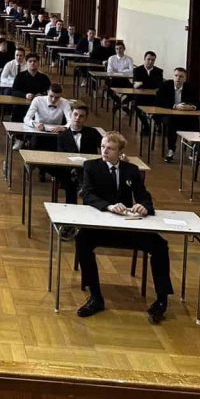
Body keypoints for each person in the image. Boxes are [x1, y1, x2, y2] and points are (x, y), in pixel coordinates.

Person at [76, 132, 173, 324]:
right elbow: (87, 194)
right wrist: (109, 206)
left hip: (127, 227)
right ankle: (95, 296)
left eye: (110, 148)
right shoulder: (91, 166)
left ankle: (162, 301)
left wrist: (144, 207)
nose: (104, 151)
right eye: (103, 147)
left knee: (160, 245)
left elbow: (143, 195)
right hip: (101, 226)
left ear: (120, 152)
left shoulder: (131, 170)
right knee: (82, 240)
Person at [54, 104, 103, 203]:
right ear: (70, 115)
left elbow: (104, 146)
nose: (77, 118)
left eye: (81, 116)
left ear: (85, 118)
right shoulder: (62, 136)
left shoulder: (92, 132)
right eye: (75, 114)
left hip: (89, 168)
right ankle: (80, 189)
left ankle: (84, 191)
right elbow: (61, 155)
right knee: (70, 178)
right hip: (70, 169)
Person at [154, 67, 200, 163]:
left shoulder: (190, 87)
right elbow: (158, 101)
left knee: (195, 122)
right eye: (176, 76)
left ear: (185, 78)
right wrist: (175, 106)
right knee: (171, 122)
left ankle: (194, 151)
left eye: (181, 76)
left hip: (184, 115)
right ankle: (171, 150)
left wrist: (192, 107)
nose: (178, 78)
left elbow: (199, 103)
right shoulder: (166, 85)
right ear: (173, 76)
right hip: (168, 115)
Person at [10, 53, 51, 122]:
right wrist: (25, 95)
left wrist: (41, 95)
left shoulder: (44, 78)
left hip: (39, 106)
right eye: (30, 61)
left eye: (35, 61)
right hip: (22, 105)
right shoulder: (20, 76)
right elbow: (14, 91)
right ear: (26, 63)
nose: (32, 63)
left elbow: (49, 92)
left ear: (38, 63)